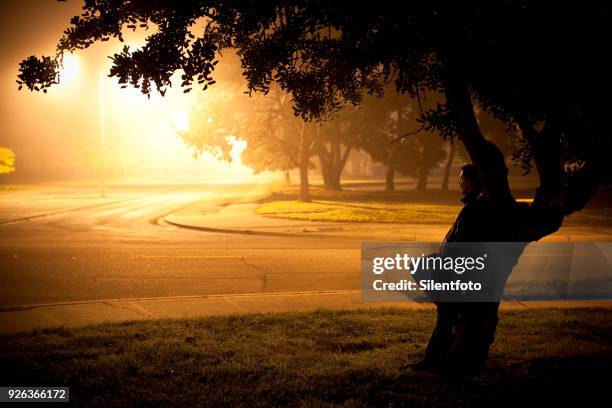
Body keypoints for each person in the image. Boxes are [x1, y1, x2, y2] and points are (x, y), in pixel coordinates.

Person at [411, 163, 504, 376]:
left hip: (458, 273)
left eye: (462, 178)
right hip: (454, 271)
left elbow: (467, 245)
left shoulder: (476, 208)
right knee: (444, 314)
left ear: (471, 181)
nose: (459, 182)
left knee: (445, 318)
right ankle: (434, 359)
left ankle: (433, 362)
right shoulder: (473, 206)